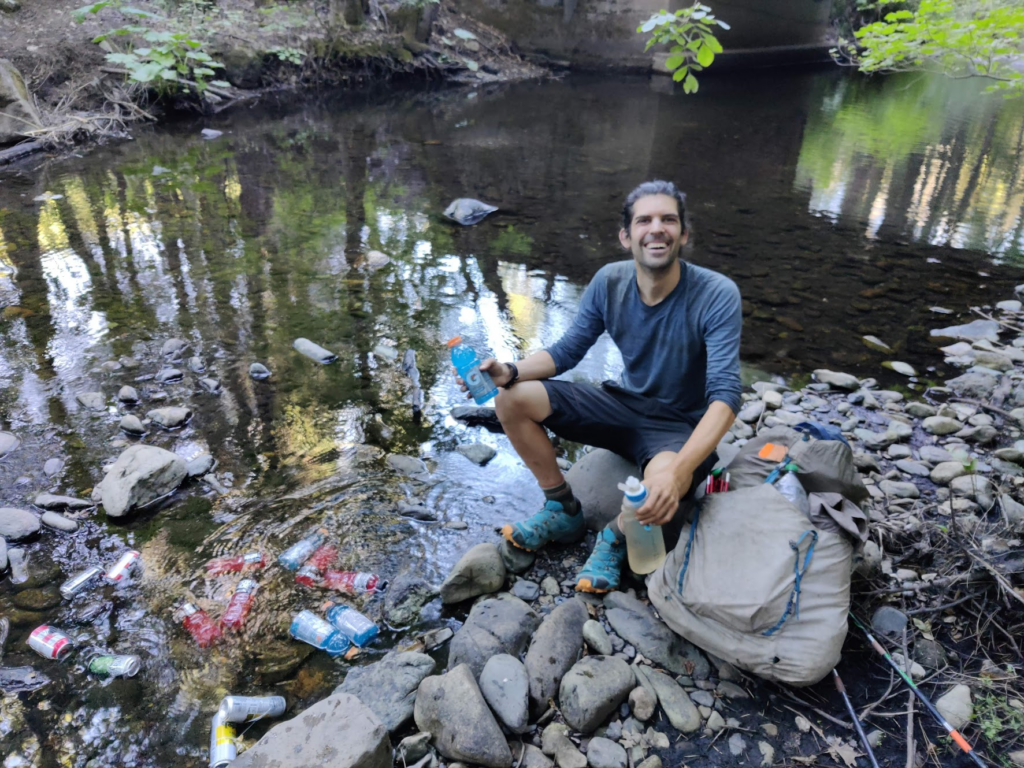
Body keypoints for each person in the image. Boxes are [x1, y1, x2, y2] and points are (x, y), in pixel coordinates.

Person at [457, 180, 743, 593]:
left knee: (655, 494)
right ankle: (563, 508)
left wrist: (680, 474)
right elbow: (567, 351)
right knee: (512, 400)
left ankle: (613, 535)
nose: (656, 228)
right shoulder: (609, 281)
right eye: (644, 220)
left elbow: (726, 393)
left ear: (684, 234)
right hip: (621, 405)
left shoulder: (717, 294)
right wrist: (509, 370)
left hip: (678, 428)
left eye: (668, 219)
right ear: (626, 237)